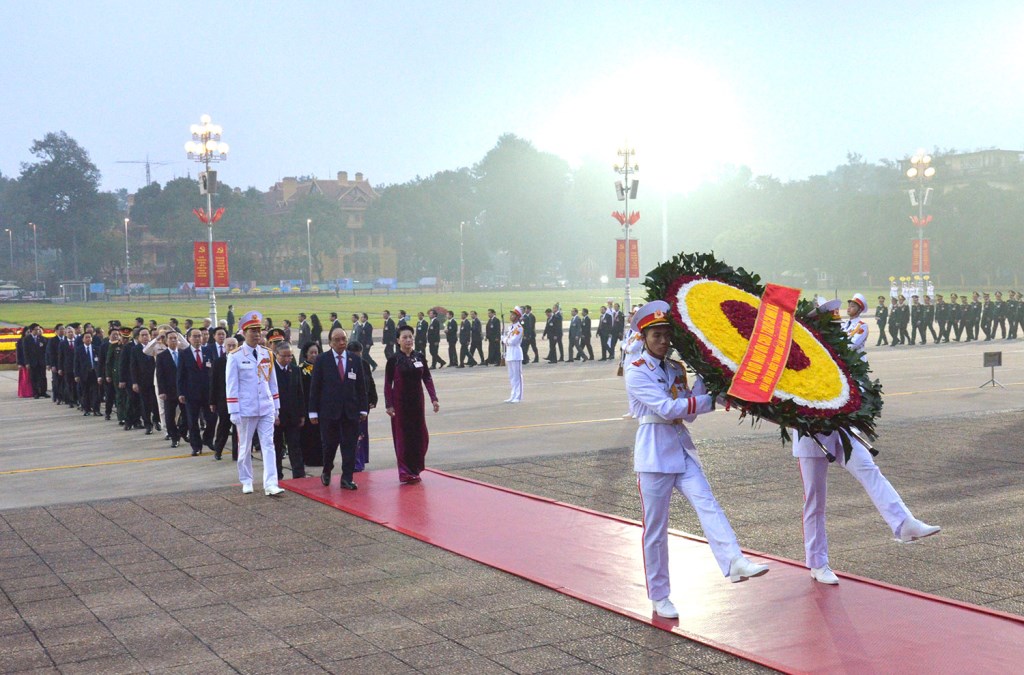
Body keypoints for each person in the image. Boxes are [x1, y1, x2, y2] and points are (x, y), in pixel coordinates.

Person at [626, 301, 768, 619]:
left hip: (680, 448)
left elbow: (687, 411)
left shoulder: (676, 368)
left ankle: (734, 560)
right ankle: (659, 595)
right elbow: (668, 409)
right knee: (655, 530)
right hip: (653, 455)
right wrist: (709, 400)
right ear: (644, 338)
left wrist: (707, 374)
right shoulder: (636, 371)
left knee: (708, 503)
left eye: (667, 335)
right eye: (656, 335)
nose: (663, 341)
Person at [792, 294, 940, 586]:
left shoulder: (838, 352)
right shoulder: (799, 354)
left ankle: (903, 523)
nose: (834, 324)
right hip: (812, 435)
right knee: (815, 501)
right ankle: (818, 562)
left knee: (869, 470)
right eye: (827, 320)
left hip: (842, 428)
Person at [227, 311, 283, 496]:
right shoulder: (235, 356)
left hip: (266, 406)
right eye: (253, 331)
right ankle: (246, 480)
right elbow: (232, 385)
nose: (257, 334)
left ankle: (271, 483)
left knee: (269, 445)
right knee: (245, 447)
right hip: (246, 408)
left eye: (259, 330)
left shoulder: (267, 353)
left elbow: (272, 382)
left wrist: (276, 406)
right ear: (244, 333)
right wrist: (233, 411)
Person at [308, 327, 368, 490]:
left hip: (350, 411)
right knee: (329, 445)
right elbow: (315, 387)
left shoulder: (354, 360)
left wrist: (363, 409)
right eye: (337, 340)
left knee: (350, 446)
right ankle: (327, 469)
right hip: (329, 412)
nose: (341, 343)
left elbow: (361, 386)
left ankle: (347, 478)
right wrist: (312, 411)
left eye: (344, 339)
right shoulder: (322, 360)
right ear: (330, 342)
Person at [384, 324, 440, 483]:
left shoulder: (420, 357)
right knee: (403, 437)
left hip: (417, 402)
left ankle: (415, 468)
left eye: (410, 337)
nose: (408, 340)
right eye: (404, 337)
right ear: (398, 340)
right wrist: (389, 404)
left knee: (420, 435)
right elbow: (388, 384)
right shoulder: (394, 360)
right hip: (400, 403)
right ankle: (404, 471)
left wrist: (434, 398)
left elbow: (427, 378)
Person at [178, 328, 216, 456]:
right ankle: (196, 446)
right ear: (189, 338)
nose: (198, 339)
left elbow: (213, 371)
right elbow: (180, 375)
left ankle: (208, 439)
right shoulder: (184, 354)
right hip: (191, 393)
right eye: (194, 336)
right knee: (192, 421)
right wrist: (181, 392)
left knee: (212, 418)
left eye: (199, 336)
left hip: (208, 393)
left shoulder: (208, 351)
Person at [272, 340, 306, 479]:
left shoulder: (295, 370)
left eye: (290, 356)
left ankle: (299, 474)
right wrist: (273, 414)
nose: (287, 359)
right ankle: (277, 474)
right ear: (276, 354)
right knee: (277, 447)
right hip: (277, 416)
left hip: (293, 415)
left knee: (295, 446)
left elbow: (300, 393)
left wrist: (302, 414)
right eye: (284, 356)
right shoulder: (270, 371)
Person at [347, 340, 378, 472]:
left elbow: (370, 382)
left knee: (362, 433)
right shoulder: (345, 365)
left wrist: (373, 398)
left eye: (359, 354)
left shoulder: (364, 364)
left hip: (363, 405)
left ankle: (361, 458)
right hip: (350, 405)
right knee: (353, 434)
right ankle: (355, 461)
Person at [209, 336, 238, 461]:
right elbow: (213, 383)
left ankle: (237, 453)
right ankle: (218, 450)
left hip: (239, 400)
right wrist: (212, 401)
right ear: (224, 347)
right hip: (223, 400)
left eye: (234, 345)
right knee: (223, 426)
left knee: (239, 429)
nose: (231, 348)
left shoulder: (241, 360)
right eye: (229, 345)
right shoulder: (219, 362)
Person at [155, 331, 186, 447]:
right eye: (171, 338)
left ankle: (182, 432)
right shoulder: (161, 356)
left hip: (183, 390)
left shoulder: (183, 353)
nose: (173, 340)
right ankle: (174, 437)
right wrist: (162, 391)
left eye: (175, 338)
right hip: (169, 391)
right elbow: (160, 375)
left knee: (187, 415)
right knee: (169, 416)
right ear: (166, 341)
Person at [130, 328, 160, 434]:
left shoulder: (155, 347)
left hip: (155, 380)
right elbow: (133, 366)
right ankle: (148, 424)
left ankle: (157, 420)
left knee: (156, 403)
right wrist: (134, 382)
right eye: (142, 335)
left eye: (146, 335)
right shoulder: (135, 349)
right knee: (145, 404)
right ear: (138, 337)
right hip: (142, 381)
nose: (145, 337)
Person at [298, 342, 322, 469]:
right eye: (311, 352)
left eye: (316, 352)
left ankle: (321, 458)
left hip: (321, 407)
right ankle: (307, 458)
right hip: (306, 406)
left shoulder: (323, 367)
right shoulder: (300, 369)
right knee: (307, 434)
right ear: (306, 354)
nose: (314, 355)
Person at [74, 330, 102, 414]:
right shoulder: (79, 349)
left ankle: (96, 410)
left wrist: (100, 374)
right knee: (85, 392)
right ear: (83, 339)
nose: (88, 339)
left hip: (94, 373)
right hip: (84, 374)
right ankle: (86, 409)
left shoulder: (96, 348)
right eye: (86, 337)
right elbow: (76, 363)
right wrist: (76, 375)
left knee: (96, 392)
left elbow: (100, 362)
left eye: (89, 337)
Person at [502, 307, 524, 403]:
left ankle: (518, 396)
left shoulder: (519, 328)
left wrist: (504, 339)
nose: (511, 316)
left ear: (517, 317)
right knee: (512, 376)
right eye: (511, 314)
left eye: (513, 315)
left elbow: (513, 341)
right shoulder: (511, 327)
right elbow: (508, 340)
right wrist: (505, 339)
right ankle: (513, 395)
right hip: (510, 354)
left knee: (517, 376)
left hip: (516, 353)